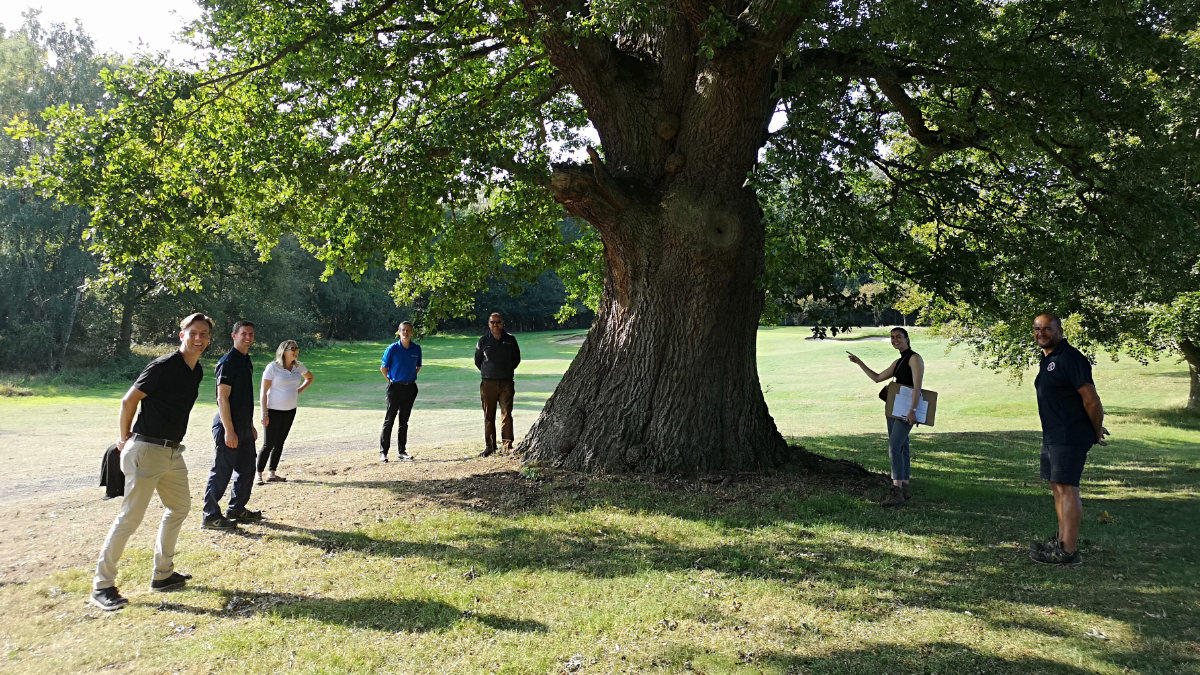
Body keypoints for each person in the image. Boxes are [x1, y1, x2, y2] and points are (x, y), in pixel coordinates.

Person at [90, 312, 213, 611]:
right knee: (130, 519)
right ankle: (102, 586)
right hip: (146, 449)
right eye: (193, 333)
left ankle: (163, 574)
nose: (198, 339)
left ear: (209, 339)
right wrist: (123, 440)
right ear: (181, 334)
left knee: (180, 507)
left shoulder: (195, 371)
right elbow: (128, 401)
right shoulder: (163, 366)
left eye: (204, 335)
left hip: (172, 452)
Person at [1029, 313, 1108, 566]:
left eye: (1047, 329)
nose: (1041, 333)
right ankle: (1061, 541)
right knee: (1057, 487)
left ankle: (1068, 551)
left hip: (1069, 434)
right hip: (1053, 434)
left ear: (1060, 330)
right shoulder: (1049, 359)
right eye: (1037, 329)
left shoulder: (1071, 358)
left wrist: (1096, 430)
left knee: (1068, 488)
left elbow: (1092, 400)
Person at [847, 327, 925, 508]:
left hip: (907, 409)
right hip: (893, 407)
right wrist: (859, 362)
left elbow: (917, 386)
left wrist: (913, 410)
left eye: (898, 336)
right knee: (902, 446)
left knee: (894, 445)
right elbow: (877, 378)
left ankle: (896, 489)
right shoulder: (898, 361)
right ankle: (904, 486)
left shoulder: (915, 359)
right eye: (892, 337)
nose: (895, 340)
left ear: (907, 338)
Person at [202, 320, 262, 529]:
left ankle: (237, 509)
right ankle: (210, 516)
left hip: (244, 427)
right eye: (244, 333)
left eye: (251, 334)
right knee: (222, 471)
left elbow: (244, 398)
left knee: (247, 470)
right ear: (234, 336)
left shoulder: (246, 360)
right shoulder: (227, 362)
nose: (248, 337)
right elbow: (222, 398)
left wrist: (251, 425)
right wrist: (229, 430)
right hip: (228, 427)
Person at [256, 340, 313, 484]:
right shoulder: (273, 367)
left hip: (290, 410)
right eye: (291, 348)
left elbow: (310, 378)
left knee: (280, 442)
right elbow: (263, 392)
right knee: (268, 444)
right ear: (283, 350)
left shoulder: (298, 366)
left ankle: (272, 473)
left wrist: (297, 392)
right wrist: (264, 413)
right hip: (273, 410)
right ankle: (258, 474)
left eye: (296, 348)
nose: (295, 351)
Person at [475, 312, 521, 456]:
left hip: (506, 382)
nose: (495, 325)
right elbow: (478, 361)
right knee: (489, 415)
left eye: (498, 322)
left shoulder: (510, 339)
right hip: (488, 383)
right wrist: (490, 372)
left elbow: (516, 359)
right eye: (492, 322)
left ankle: (507, 445)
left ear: (502, 323)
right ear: (488, 324)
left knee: (506, 414)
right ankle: (490, 446)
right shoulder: (483, 341)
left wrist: (505, 371)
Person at [379, 321, 421, 462]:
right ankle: (383, 452)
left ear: (412, 332)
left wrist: (408, 378)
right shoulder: (392, 349)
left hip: (410, 388)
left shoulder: (416, 349)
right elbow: (383, 369)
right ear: (398, 332)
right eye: (403, 330)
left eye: (408, 330)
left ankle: (402, 452)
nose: (406, 332)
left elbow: (418, 367)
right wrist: (392, 380)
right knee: (389, 420)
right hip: (395, 388)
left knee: (404, 421)